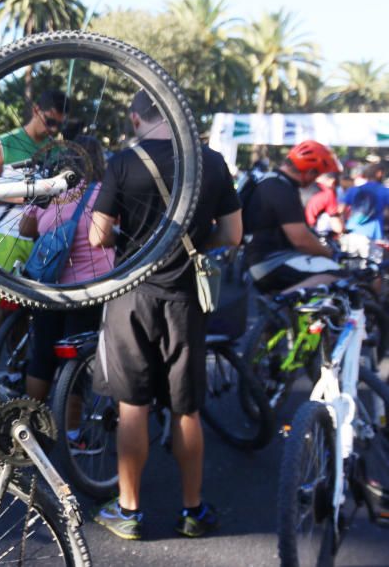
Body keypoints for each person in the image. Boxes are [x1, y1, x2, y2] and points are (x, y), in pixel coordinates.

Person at [88, 90, 242, 540]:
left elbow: (99, 235)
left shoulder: (123, 161)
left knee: (132, 405)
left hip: (131, 296)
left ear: (137, 117)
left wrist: (129, 239)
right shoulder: (211, 162)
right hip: (185, 299)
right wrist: (194, 248)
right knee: (186, 407)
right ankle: (193, 510)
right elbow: (233, 233)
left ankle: (129, 512)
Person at [19, 136, 113, 405]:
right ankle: (73, 434)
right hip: (88, 289)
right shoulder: (102, 192)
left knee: (42, 356)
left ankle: (32, 422)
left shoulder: (49, 191)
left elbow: (25, 229)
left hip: (48, 285)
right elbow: (107, 233)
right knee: (78, 361)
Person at [0, 89, 67, 362]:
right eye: (50, 121)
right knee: (1, 310)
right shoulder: (6, 143)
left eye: (59, 124)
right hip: (7, 234)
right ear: (37, 110)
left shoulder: (57, 148)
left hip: (40, 240)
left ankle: (16, 372)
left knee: (26, 314)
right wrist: (22, 196)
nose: (54, 128)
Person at [242, 140, 343, 293]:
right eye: (317, 175)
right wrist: (329, 254)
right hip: (271, 262)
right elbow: (301, 240)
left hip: (258, 260)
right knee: (338, 273)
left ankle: (287, 310)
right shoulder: (281, 189)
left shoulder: (271, 180)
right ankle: (280, 303)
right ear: (310, 172)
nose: (315, 180)